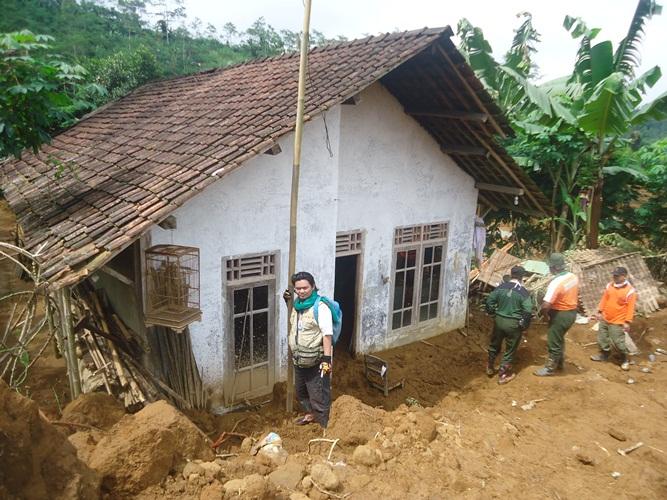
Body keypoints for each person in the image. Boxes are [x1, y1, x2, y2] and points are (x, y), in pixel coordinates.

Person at [283, 272, 333, 427]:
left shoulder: (320, 307)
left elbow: (327, 335)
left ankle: (325, 427)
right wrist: (288, 301)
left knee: (319, 396)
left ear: (313, 286)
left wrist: (327, 360)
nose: (302, 291)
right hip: (299, 360)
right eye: (298, 288)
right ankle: (311, 415)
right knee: (301, 393)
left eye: (305, 287)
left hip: (316, 362)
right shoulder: (297, 305)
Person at [485, 266, 533, 384]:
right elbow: (528, 310)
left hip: (499, 320)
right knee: (510, 349)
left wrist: (492, 313)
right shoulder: (523, 291)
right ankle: (503, 375)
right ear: (522, 277)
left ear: (511, 275)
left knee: (495, 344)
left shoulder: (501, 287)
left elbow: (489, 301)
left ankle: (490, 367)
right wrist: (524, 325)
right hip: (513, 324)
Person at [534, 253, 579, 377]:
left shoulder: (556, 283)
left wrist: (545, 316)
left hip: (560, 314)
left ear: (553, 268)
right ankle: (559, 364)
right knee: (559, 338)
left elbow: (545, 305)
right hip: (571, 313)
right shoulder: (573, 277)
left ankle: (550, 368)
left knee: (553, 340)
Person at [590, 267, 637, 371]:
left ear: (624, 276)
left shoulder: (630, 291)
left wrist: (627, 322)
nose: (614, 277)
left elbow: (631, 308)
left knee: (618, 341)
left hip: (618, 320)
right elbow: (604, 299)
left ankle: (624, 359)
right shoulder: (610, 286)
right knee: (602, 338)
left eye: (617, 275)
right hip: (605, 318)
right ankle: (604, 354)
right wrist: (599, 311)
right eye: (614, 275)